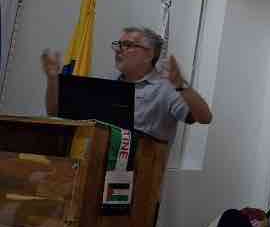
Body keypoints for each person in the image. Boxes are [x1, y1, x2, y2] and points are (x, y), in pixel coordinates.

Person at [40, 26, 212, 141]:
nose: (119, 50)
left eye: (128, 45)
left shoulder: (166, 88)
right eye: (118, 45)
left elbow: (205, 118)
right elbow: (55, 113)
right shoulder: (106, 82)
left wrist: (181, 86)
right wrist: (53, 80)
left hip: (140, 176)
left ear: (149, 54)